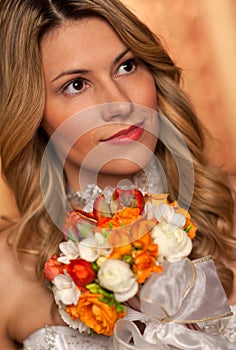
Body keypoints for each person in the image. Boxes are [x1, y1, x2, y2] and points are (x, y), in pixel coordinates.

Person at [0, 0, 236, 349]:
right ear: (31, 111)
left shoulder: (227, 209)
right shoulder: (8, 270)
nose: (121, 102)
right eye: (76, 85)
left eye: (126, 66)